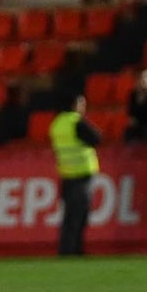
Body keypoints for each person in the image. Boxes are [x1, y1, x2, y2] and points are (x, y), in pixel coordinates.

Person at [48, 94, 100, 256]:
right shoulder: (76, 122)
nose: (83, 108)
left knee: (68, 216)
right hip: (81, 174)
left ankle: (66, 249)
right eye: (81, 104)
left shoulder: (56, 124)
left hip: (66, 174)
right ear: (74, 105)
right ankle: (74, 250)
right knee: (79, 216)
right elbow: (96, 138)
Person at [125, 69, 147, 142]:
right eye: (141, 78)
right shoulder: (134, 94)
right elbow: (130, 111)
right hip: (137, 123)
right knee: (128, 132)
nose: (143, 81)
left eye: (146, 78)